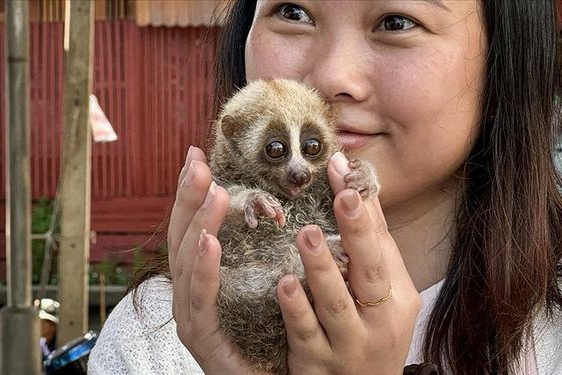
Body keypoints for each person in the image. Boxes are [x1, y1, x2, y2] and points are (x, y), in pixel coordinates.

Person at [89, 1, 562, 374]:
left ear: (508, 59)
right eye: (292, 12)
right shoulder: (159, 333)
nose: (333, 77)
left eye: (397, 21)